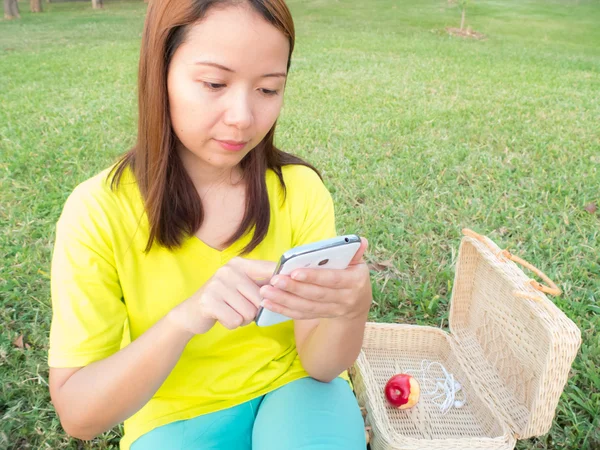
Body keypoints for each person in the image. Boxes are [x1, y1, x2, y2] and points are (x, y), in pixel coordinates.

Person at [47, 0, 373, 449]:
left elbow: (320, 365)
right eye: (215, 83)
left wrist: (350, 310)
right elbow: (79, 416)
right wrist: (185, 317)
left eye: (268, 90)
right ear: (159, 72)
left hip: (295, 389)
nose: (243, 116)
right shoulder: (97, 212)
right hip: (173, 418)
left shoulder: (299, 191)